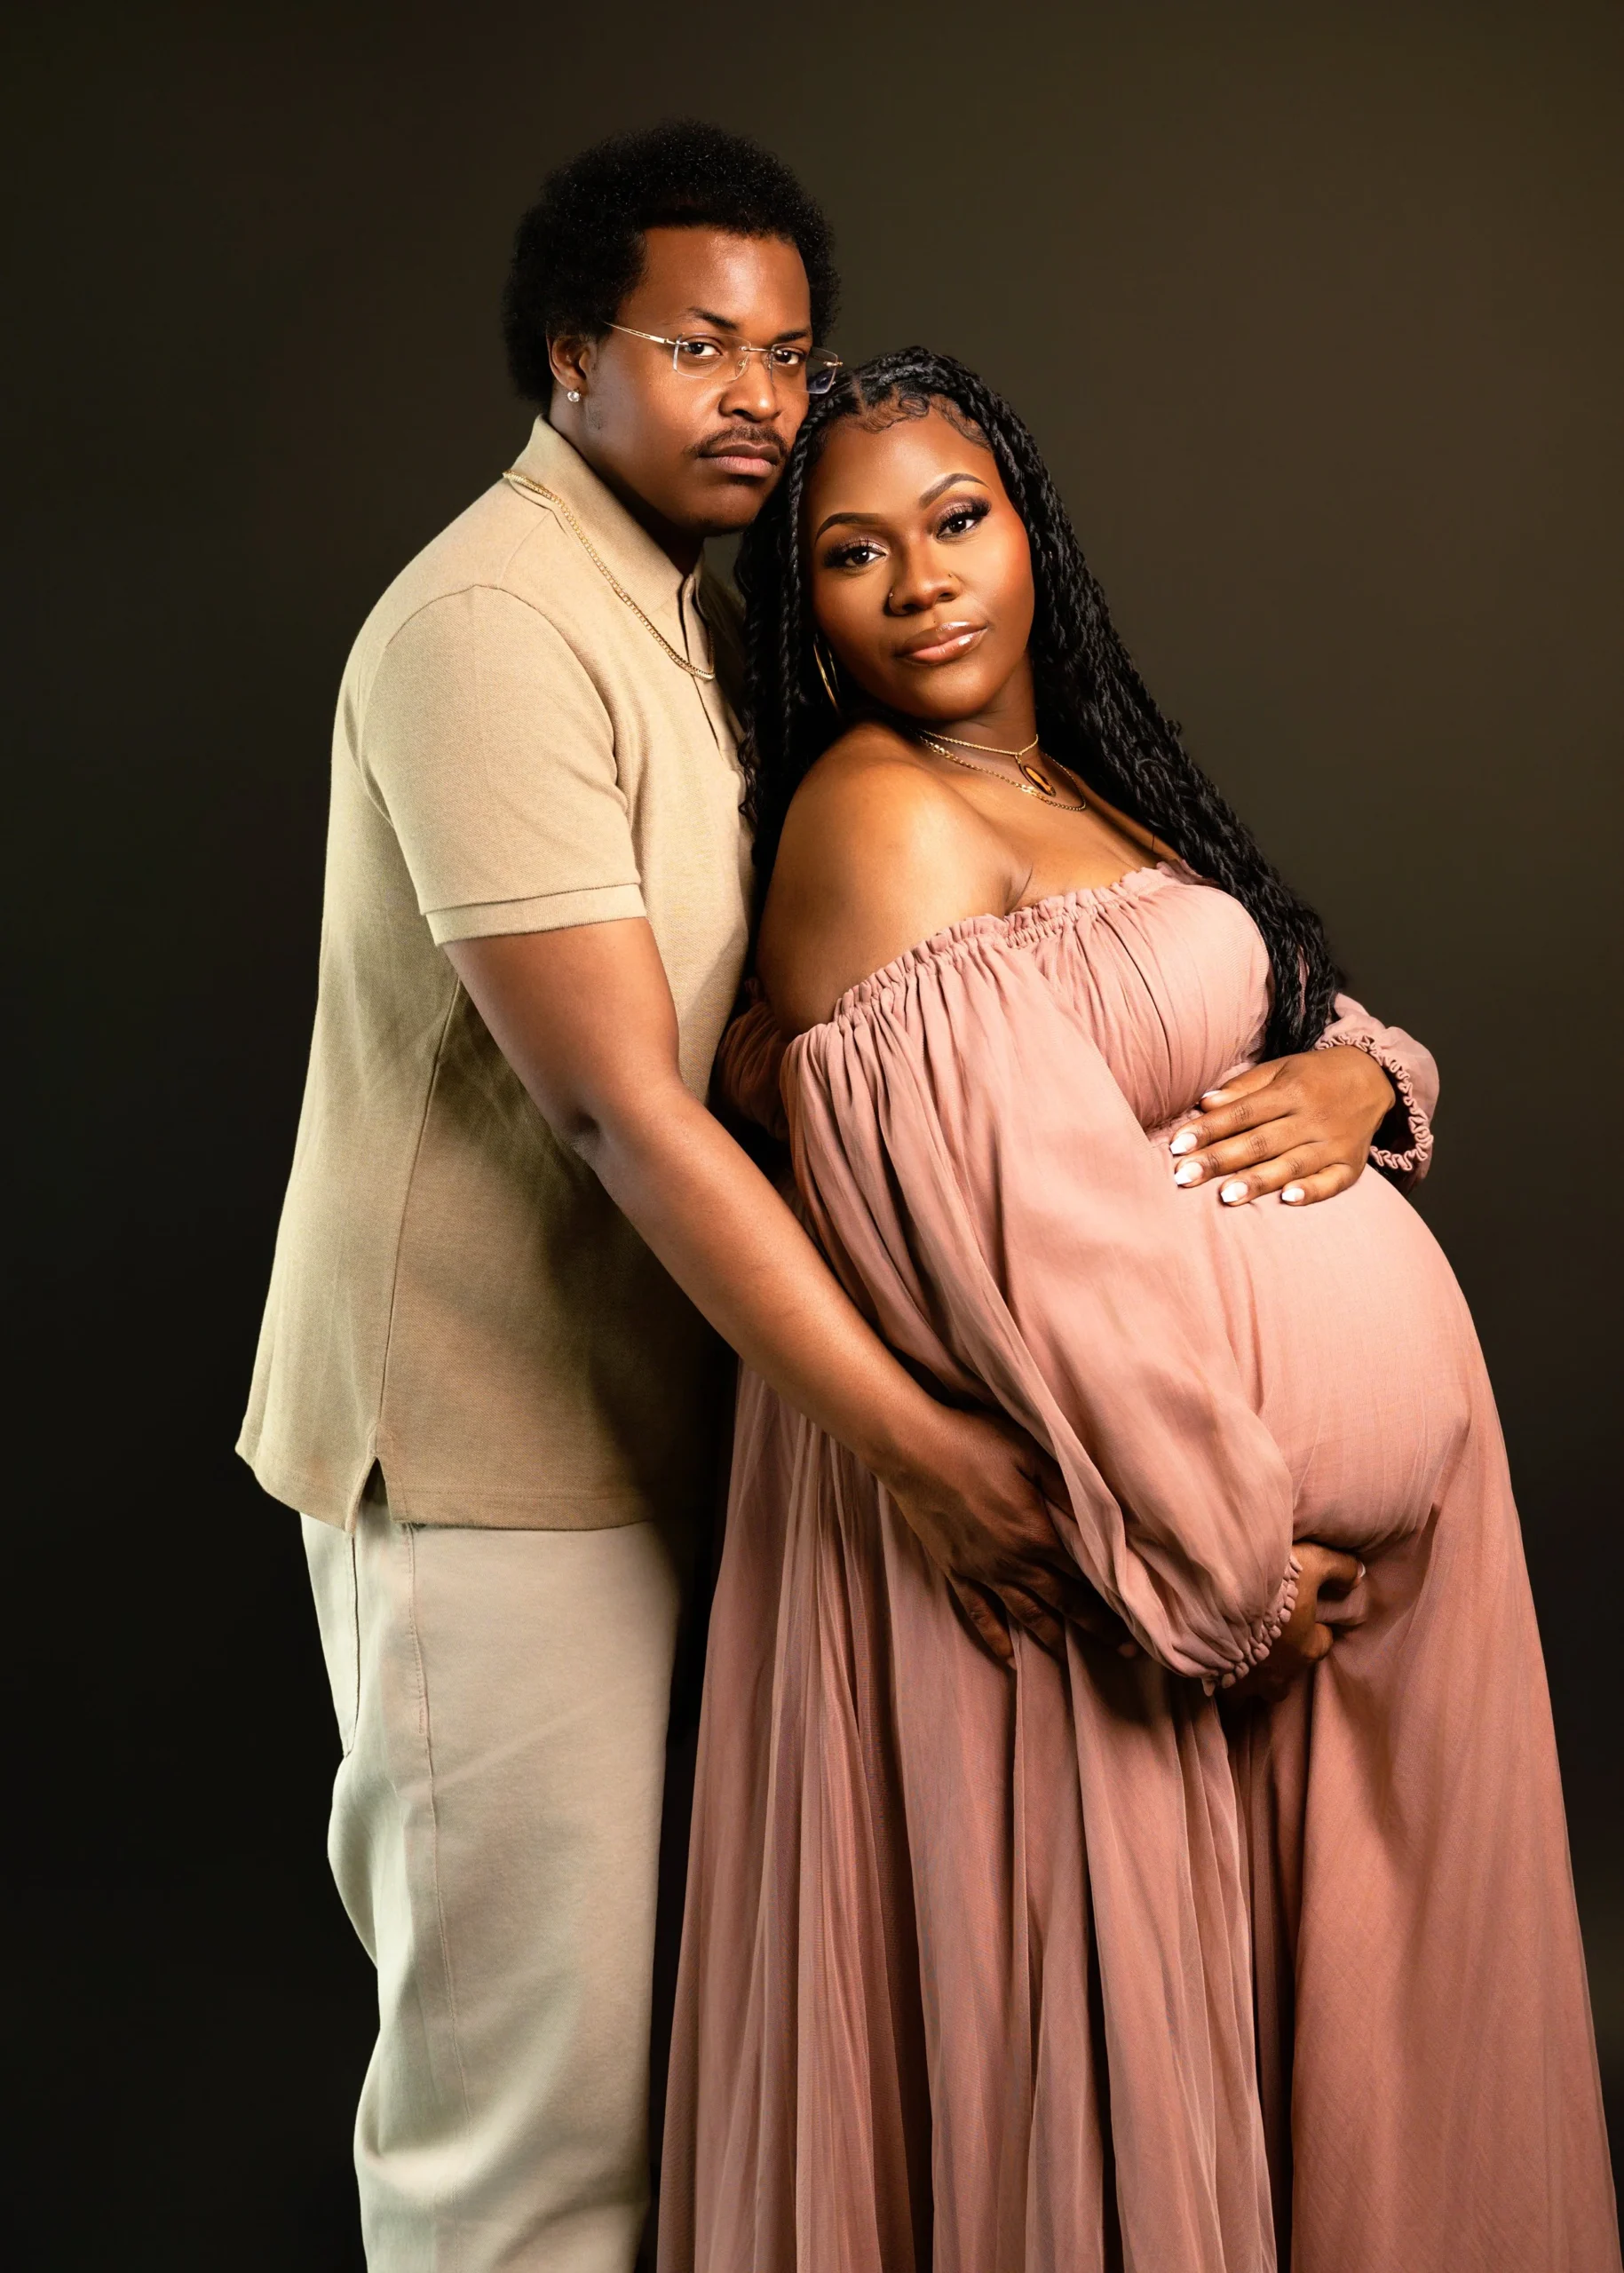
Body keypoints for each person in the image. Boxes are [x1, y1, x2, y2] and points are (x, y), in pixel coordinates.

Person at [241, 121, 1455, 2269]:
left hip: (691, 1425)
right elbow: (622, 1113)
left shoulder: (703, 632)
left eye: (784, 354)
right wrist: (934, 1458)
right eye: (694, 342)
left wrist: (1360, 1068)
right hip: (500, 1448)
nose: (755, 396)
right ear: (560, 358)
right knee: (529, 2121)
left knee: (669, 2068)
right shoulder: (494, 627)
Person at [659, 349, 1620, 2273]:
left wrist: (1368, 1081)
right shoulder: (877, 819)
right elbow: (1047, 1259)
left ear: (1028, 528)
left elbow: (1259, 1012)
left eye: (955, 521)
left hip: (1236, 1567)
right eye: (852, 555)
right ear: (805, 613)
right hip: (1140, 1574)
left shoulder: (1070, 783)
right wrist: (1221, 1571)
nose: (922, 581)